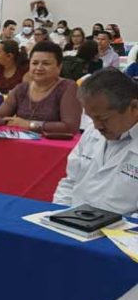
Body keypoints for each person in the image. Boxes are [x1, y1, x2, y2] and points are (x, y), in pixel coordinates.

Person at [53, 69, 138, 215]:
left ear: (134, 108)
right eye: (91, 118)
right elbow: (70, 181)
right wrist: (59, 214)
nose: (97, 126)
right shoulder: (92, 131)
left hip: (121, 232)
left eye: (104, 119)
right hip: (73, 221)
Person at [0, 41, 82, 135]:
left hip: (55, 149)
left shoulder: (68, 87)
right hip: (22, 144)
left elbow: (70, 127)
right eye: (35, 63)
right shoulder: (22, 88)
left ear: (59, 67)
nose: (39, 68)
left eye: (46, 63)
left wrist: (30, 125)